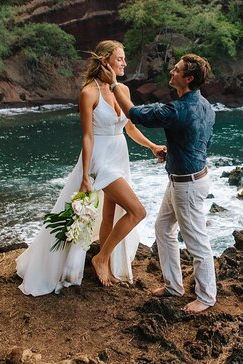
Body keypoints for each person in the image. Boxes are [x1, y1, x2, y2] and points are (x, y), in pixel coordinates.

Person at [16, 40, 165, 294]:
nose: (124, 64)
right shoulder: (89, 92)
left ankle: (103, 263)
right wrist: (85, 176)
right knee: (137, 211)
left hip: (119, 155)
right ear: (105, 60)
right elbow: (87, 136)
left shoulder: (123, 90)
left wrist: (151, 146)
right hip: (100, 161)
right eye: (120, 59)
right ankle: (101, 258)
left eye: (124, 59)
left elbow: (129, 127)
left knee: (109, 214)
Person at [99, 53, 216, 314]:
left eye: (177, 70)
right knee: (163, 228)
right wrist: (173, 154)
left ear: (188, 78)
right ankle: (173, 286)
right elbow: (202, 142)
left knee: (196, 241)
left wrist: (114, 85)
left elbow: (135, 114)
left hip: (187, 185)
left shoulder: (177, 110)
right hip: (185, 179)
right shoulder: (206, 106)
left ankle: (207, 296)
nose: (171, 72)